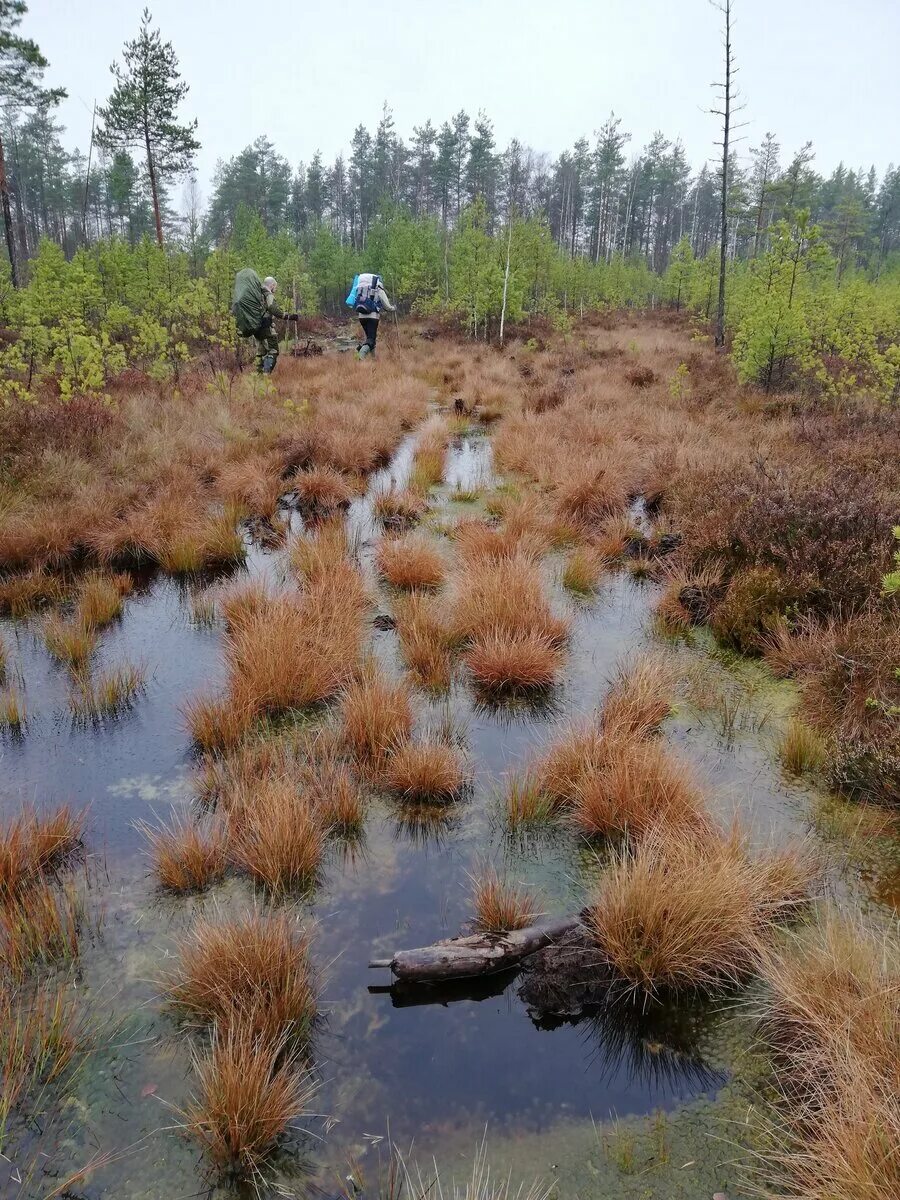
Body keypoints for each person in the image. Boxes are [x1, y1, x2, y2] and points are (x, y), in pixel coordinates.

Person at [231, 269, 298, 374]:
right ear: (271, 285)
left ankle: (257, 377)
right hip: (266, 328)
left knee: (261, 353)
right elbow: (273, 309)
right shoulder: (268, 294)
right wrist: (288, 316)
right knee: (273, 351)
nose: (275, 289)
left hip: (257, 328)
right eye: (275, 286)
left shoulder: (257, 293)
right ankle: (266, 374)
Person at [345, 272, 395, 358]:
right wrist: (393, 308)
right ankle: (360, 354)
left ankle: (373, 359)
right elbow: (386, 304)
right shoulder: (377, 287)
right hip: (372, 316)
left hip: (361, 316)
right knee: (371, 339)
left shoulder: (360, 287)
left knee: (370, 338)